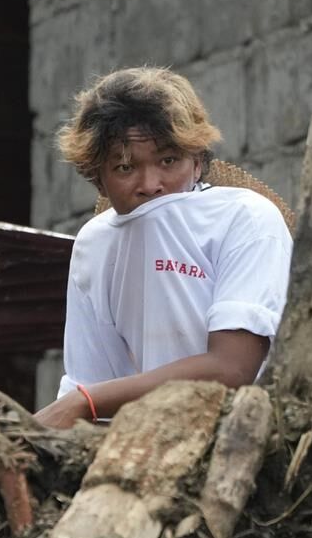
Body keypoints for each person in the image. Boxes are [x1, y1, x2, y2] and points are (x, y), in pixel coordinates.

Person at [33, 66, 293, 428]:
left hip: (247, 436)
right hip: (136, 444)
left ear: (198, 162)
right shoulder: (95, 244)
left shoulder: (245, 218)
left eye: (168, 161)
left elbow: (233, 368)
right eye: (124, 167)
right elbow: (90, 383)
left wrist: (85, 402)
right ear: (99, 179)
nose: (150, 184)